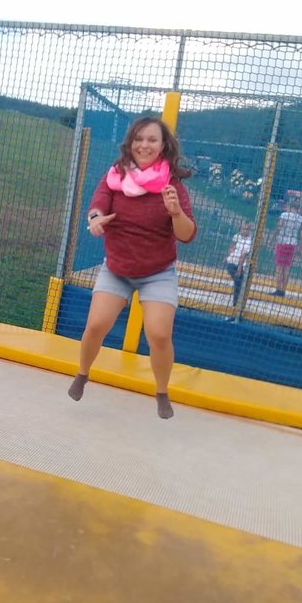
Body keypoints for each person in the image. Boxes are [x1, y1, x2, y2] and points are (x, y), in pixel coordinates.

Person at [67, 116, 196, 419]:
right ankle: (83, 373)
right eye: (139, 139)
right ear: (130, 143)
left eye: (152, 139)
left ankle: (161, 391)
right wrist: (95, 219)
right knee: (96, 324)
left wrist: (175, 212)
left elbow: (187, 234)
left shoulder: (172, 186)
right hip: (117, 268)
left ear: (163, 146)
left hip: (157, 273)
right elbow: (98, 204)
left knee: (159, 334)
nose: (144, 145)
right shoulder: (115, 177)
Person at [269, 197, 302, 297]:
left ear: (289, 206)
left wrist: (272, 238)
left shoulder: (284, 215)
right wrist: (300, 248)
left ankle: (278, 289)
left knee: (279, 267)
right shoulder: (301, 219)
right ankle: (283, 290)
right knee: (287, 267)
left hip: (282, 242)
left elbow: (279, 227)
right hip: (292, 244)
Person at [225, 220, 253, 306]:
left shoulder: (250, 241)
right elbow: (232, 246)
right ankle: (236, 302)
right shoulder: (237, 236)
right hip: (231, 262)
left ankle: (236, 303)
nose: (245, 231)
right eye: (243, 229)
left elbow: (243, 256)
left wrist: (239, 269)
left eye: (247, 229)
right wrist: (227, 256)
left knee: (239, 282)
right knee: (238, 282)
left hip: (241, 265)